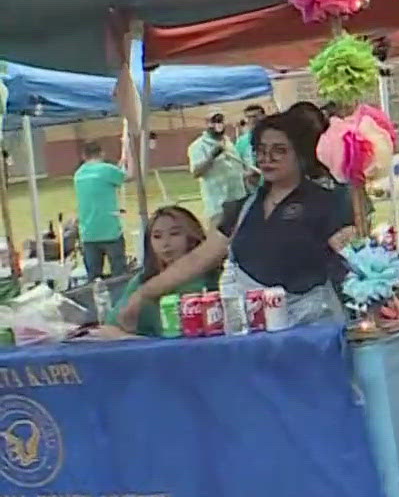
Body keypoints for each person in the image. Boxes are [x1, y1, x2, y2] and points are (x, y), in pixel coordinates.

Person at [118, 111, 354, 329]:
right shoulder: (243, 207)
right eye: (261, 151)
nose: (267, 158)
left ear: (300, 154)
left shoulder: (326, 203)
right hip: (251, 333)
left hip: (311, 330)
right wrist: (144, 293)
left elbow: (354, 262)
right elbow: (198, 259)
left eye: (279, 150)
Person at [106, 206, 215, 336]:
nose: (165, 243)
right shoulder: (143, 280)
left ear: (191, 237)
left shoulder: (212, 278)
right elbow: (110, 327)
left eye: (174, 234)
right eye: (157, 236)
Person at [73, 142, 129, 280]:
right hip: (110, 231)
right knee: (119, 275)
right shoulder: (107, 170)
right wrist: (129, 158)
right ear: (102, 153)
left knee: (93, 277)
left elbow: (100, 180)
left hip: (88, 233)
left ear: (84, 156)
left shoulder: (78, 174)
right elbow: (130, 176)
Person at [188, 112, 249, 219]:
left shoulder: (228, 142)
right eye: (214, 121)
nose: (218, 124)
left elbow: (237, 167)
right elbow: (196, 172)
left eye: (220, 120)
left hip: (238, 197)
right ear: (207, 124)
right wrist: (212, 156)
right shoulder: (198, 146)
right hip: (218, 203)